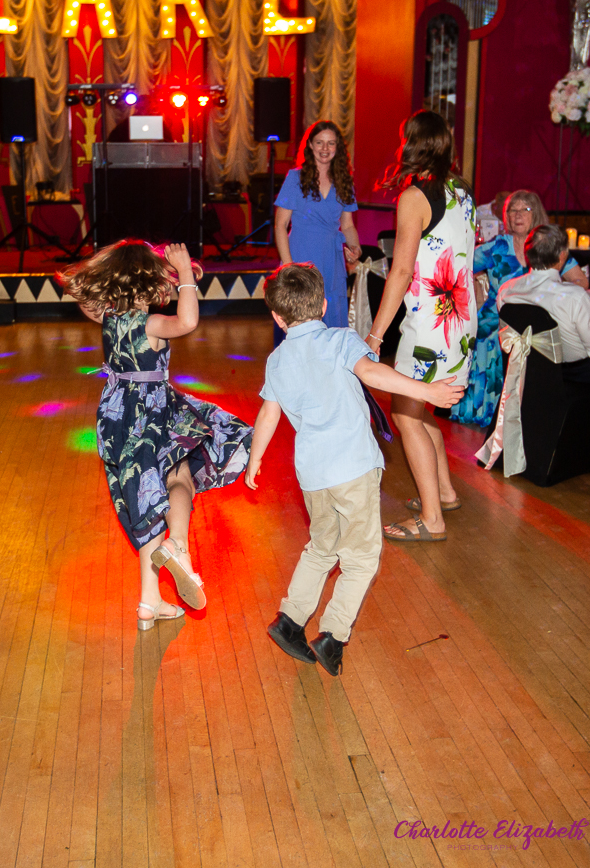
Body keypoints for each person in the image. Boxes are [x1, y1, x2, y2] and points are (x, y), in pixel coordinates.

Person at [245, 263, 463, 675]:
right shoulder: (340, 339)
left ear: (277, 317)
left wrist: (256, 457)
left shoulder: (277, 360)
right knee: (362, 557)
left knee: (322, 547)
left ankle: (290, 620)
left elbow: (268, 413)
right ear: (325, 305)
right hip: (353, 469)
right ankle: (333, 634)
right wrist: (427, 391)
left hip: (313, 476)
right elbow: (373, 373)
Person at [58, 240, 252, 629]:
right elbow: (188, 322)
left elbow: (86, 299)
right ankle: (177, 545)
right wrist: (185, 274)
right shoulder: (152, 325)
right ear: (148, 284)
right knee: (180, 478)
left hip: (117, 419)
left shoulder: (109, 319)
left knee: (145, 503)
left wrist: (105, 277)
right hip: (152, 417)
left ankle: (149, 601)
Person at [365, 110, 477, 542]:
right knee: (420, 406)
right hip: (459, 319)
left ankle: (432, 520)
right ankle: (444, 493)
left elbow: (400, 271)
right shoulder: (462, 191)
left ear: (412, 144)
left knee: (405, 413)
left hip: (432, 324)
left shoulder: (415, 196)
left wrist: (375, 335)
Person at [451, 190, 588, 427]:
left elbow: (580, 281)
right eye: (512, 210)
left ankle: (529, 413)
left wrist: (558, 295)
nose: (518, 215)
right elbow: (461, 266)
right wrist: (472, 294)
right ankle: (487, 411)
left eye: (525, 209)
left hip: (537, 320)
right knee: (488, 333)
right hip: (496, 318)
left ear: (536, 214)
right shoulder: (497, 246)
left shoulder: (548, 246)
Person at [273, 120, 361, 329]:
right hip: (301, 256)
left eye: (331, 143)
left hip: (331, 259)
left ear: (337, 147)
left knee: (331, 320)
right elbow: (280, 225)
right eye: (320, 142)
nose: (325, 148)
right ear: (310, 145)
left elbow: (347, 225)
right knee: (300, 319)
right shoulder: (296, 178)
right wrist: (289, 266)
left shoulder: (344, 181)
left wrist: (355, 248)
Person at [498, 224, 590, 383]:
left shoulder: (506, 291)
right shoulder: (573, 297)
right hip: (576, 379)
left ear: (528, 253)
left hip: (528, 376)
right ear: (562, 256)